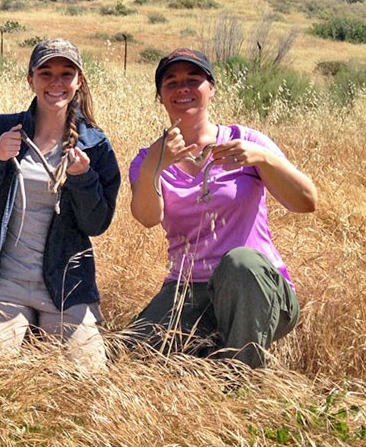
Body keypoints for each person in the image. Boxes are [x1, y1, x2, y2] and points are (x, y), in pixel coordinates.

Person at [128, 48, 317, 369]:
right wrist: (153, 168)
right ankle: (211, 354)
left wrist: (263, 158)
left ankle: (242, 383)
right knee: (132, 358)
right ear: (159, 96)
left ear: (211, 89)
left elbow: (306, 202)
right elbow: (147, 218)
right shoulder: (149, 158)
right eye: (171, 82)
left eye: (193, 79)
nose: (182, 88)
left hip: (258, 290)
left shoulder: (246, 141)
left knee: (240, 262)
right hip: (189, 290)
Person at [0, 39, 121, 369]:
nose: (56, 83)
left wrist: (83, 178)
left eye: (66, 74)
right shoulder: (2, 129)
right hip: (4, 284)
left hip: (66, 287)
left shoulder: (95, 144)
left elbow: (97, 224)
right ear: (30, 80)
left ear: (79, 81)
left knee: (88, 378)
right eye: (45, 73)